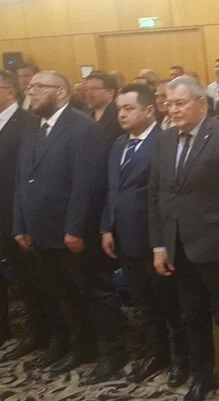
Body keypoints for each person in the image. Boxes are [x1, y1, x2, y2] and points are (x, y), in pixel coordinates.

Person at [13, 71, 126, 382]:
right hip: (41, 230)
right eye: (30, 87)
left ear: (60, 92)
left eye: (39, 87)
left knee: (95, 293)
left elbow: (86, 185)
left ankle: (111, 352)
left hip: (74, 232)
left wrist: (74, 229)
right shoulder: (34, 127)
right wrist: (20, 223)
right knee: (61, 294)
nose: (31, 92)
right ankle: (80, 345)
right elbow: (22, 179)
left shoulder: (83, 128)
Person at [148, 76, 219, 401]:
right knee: (191, 314)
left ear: (201, 103)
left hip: (216, 244)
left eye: (180, 103)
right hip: (178, 244)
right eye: (169, 104)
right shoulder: (164, 139)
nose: (173, 110)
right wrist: (159, 244)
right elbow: (157, 194)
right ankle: (202, 377)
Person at [100, 83, 188, 386]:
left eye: (129, 108)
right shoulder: (118, 144)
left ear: (149, 110)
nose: (121, 114)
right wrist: (106, 227)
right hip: (124, 238)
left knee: (169, 303)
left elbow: (165, 196)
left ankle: (181, 358)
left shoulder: (165, 142)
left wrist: (161, 242)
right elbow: (112, 190)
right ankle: (157, 352)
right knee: (144, 303)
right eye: (119, 109)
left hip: (154, 239)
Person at [0, 69, 48, 361]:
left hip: (16, 216)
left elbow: (26, 175)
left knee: (30, 279)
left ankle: (41, 332)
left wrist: (22, 219)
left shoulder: (28, 123)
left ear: (9, 92)